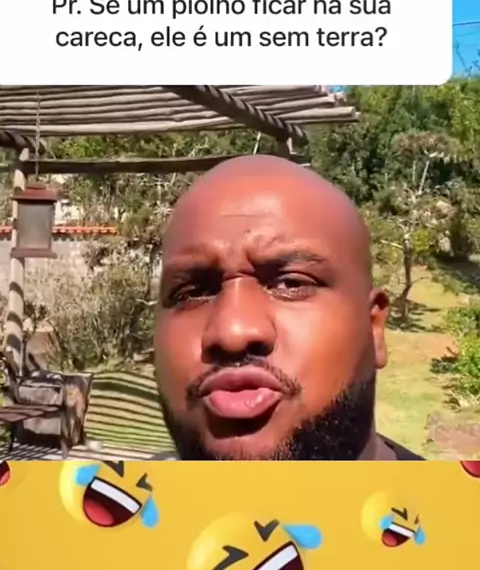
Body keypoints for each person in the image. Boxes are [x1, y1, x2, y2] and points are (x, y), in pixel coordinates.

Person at [154, 154, 424, 461]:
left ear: (374, 328)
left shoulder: (458, 493)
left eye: (291, 283)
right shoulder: (118, 489)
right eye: (193, 292)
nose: (233, 332)